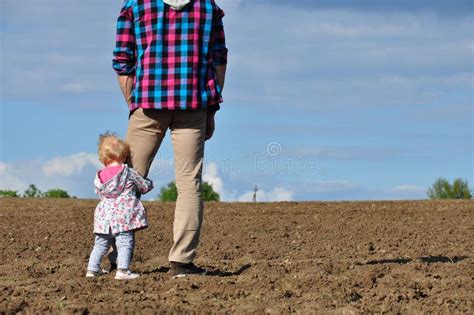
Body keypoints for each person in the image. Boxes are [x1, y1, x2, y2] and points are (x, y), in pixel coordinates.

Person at [112, 0, 227, 278]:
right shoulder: (208, 7)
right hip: (193, 105)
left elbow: (122, 59)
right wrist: (212, 108)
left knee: (127, 183)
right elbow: (218, 60)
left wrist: (133, 102)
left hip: (148, 104)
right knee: (190, 184)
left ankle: (119, 260)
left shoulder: (136, 4)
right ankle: (182, 263)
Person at [86, 133, 153, 280]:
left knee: (100, 244)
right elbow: (143, 186)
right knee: (124, 242)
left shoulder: (99, 176)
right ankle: (122, 270)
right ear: (124, 156)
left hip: (103, 216)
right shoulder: (128, 172)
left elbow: (99, 193)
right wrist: (150, 184)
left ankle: (91, 270)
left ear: (103, 159)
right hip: (123, 215)